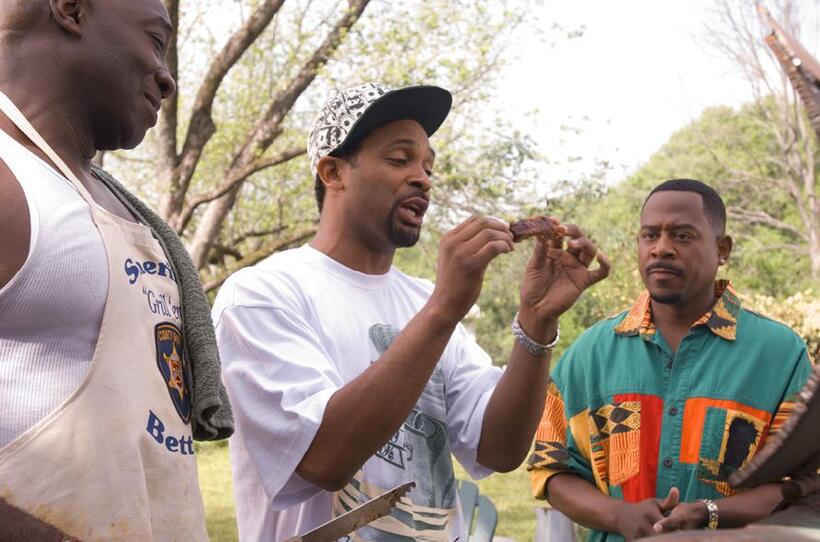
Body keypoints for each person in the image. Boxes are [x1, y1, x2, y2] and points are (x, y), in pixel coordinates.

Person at [212, 81, 610, 541]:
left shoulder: (425, 299)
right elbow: (325, 459)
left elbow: (500, 448)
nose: (423, 178)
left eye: (427, 165)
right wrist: (445, 307)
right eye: (400, 160)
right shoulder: (263, 293)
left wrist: (536, 323)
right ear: (333, 172)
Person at [0, 1, 231, 540]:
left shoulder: (119, 208)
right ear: (71, 9)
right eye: (155, 39)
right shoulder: (9, 184)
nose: (167, 79)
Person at [528, 179, 814, 542]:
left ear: (722, 249)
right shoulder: (590, 354)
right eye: (650, 235)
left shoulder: (779, 354)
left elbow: (799, 484)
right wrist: (619, 514)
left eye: (682, 236)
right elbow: (551, 470)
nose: (661, 249)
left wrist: (709, 514)